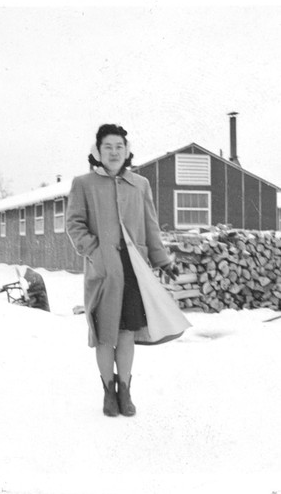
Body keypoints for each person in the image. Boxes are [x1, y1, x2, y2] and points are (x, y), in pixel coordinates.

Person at [66, 124, 183, 417]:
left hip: (133, 270)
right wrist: (96, 254)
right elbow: (75, 225)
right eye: (108, 147)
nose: (114, 152)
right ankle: (108, 393)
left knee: (127, 331)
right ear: (97, 151)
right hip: (103, 270)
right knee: (105, 333)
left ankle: (125, 391)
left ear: (127, 150)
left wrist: (163, 261)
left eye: (119, 146)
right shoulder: (83, 184)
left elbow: (150, 226)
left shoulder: (140, 184)